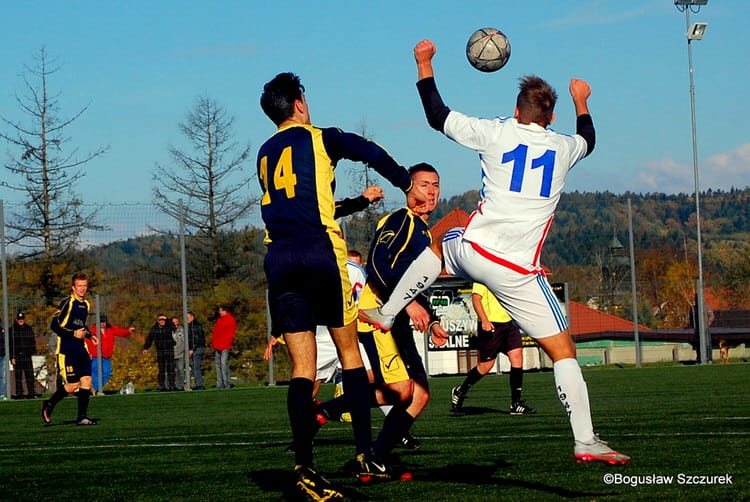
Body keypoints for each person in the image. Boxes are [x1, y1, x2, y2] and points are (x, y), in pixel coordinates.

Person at [361, 39, 629, 465]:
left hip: (473, 251)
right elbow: (588, 138)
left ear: (518, 110)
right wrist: (582, 99)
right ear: (550, 117)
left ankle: (389, 309)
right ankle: (585, 439)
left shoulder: (497, 131)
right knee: (563, 353)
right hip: (519, 272)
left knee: (438, 243)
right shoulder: (563, 148)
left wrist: (423, 63)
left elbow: (437, 115)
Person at [257, 71, 415, 499]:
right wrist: (404, 180)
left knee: (302, 369)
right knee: (350, 353)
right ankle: (366, 454)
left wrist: (358, 203)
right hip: (319, 254)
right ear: (300, 104)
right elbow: (366, 150)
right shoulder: (320, 137)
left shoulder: (265, 152)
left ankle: (304, 467)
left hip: (279, 258)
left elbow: (307, 204)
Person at [354, 163, 449, 466]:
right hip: (378, 315)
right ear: (408, 188)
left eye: (435, 185)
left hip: (398, 319)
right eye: (423, 184)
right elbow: (378, 266)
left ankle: (376, 457)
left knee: (419, 395)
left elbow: (415, 282)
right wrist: (406, 303)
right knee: (403, 390)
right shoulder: (400, 220)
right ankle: (328, 411)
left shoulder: (424, 232)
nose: (431, 191)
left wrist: (431, 318)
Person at [451, 282, 535, 415]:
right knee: (486, 366)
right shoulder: (482, 276)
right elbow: (476, 298)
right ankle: (460, 391)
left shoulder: (504, 274)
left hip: (509, 324)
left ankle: (516, 403)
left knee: (517, 357)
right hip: (491, 325)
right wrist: (484, 320)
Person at [42, 273, 99, 426]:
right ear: (73, 287)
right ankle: (49, 404)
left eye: (84, 286)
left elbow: (80, 325)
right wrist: (73, 334)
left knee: (87, 380)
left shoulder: (86, 304)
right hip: (67, 349)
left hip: (81, 348)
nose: (82, 289)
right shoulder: (68, 303)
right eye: (79, 286)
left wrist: (90, 335)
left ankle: (82, 417)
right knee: (73, 385)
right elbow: (55, 326)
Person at [86, 316, 135, 394]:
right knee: (94, 372)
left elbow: (120, 332)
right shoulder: (92, 330)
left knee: (107, 372)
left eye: (104, 322)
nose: (102, 324)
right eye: (101, 322)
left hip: (106, 357)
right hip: (95, 356)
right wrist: (90, 353)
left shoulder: (110, 329)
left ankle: (95, 388)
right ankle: (95, 390)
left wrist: (128, 331)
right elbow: (88, 342)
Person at [142, 314, 176, 391]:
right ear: (158, 321)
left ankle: (172, 385)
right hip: (160, 351)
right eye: (160, 320)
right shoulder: (155, 329)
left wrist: (167, 319)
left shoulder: (169, 327)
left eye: (163, 320)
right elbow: (150, 338)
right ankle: (162, 386)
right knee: (161, 369)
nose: (162, 321)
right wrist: (146, 348)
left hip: (169, 350)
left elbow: (174, 328)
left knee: (171, 369)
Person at [10, 312, 37, 399]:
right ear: (16, 320)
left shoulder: (28, 328)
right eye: (19, 319)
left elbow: (32, 341)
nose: (21, 321)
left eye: (22, 319)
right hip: (17, 356)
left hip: (27, 355)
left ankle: (31, 392)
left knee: (29, 375)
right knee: (18, 376)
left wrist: (32, 351)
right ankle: (19, 393)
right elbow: (10, 344)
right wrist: (12, 357)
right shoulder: (12, 330)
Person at [187, 311, 206, 390]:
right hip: (197, 348)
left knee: (196, 367)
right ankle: (197, 383)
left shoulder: (195, 326)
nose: (186, 319)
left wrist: (192, 349)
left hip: (197, 348)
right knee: (195, 366)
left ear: (192, 317)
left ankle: (199, 384)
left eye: (187, 317)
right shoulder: (192, 326)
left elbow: (196, 339)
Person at [171, 316, 186, 390]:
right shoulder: (169, 330)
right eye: (173, 322)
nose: (175, 324)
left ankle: (180, 386)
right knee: (172, 371)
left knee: (180, 370)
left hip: (180, 353)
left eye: (176, 322)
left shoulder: (182, 329)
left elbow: (185, 341)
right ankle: (172, 386)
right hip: (171, 354)